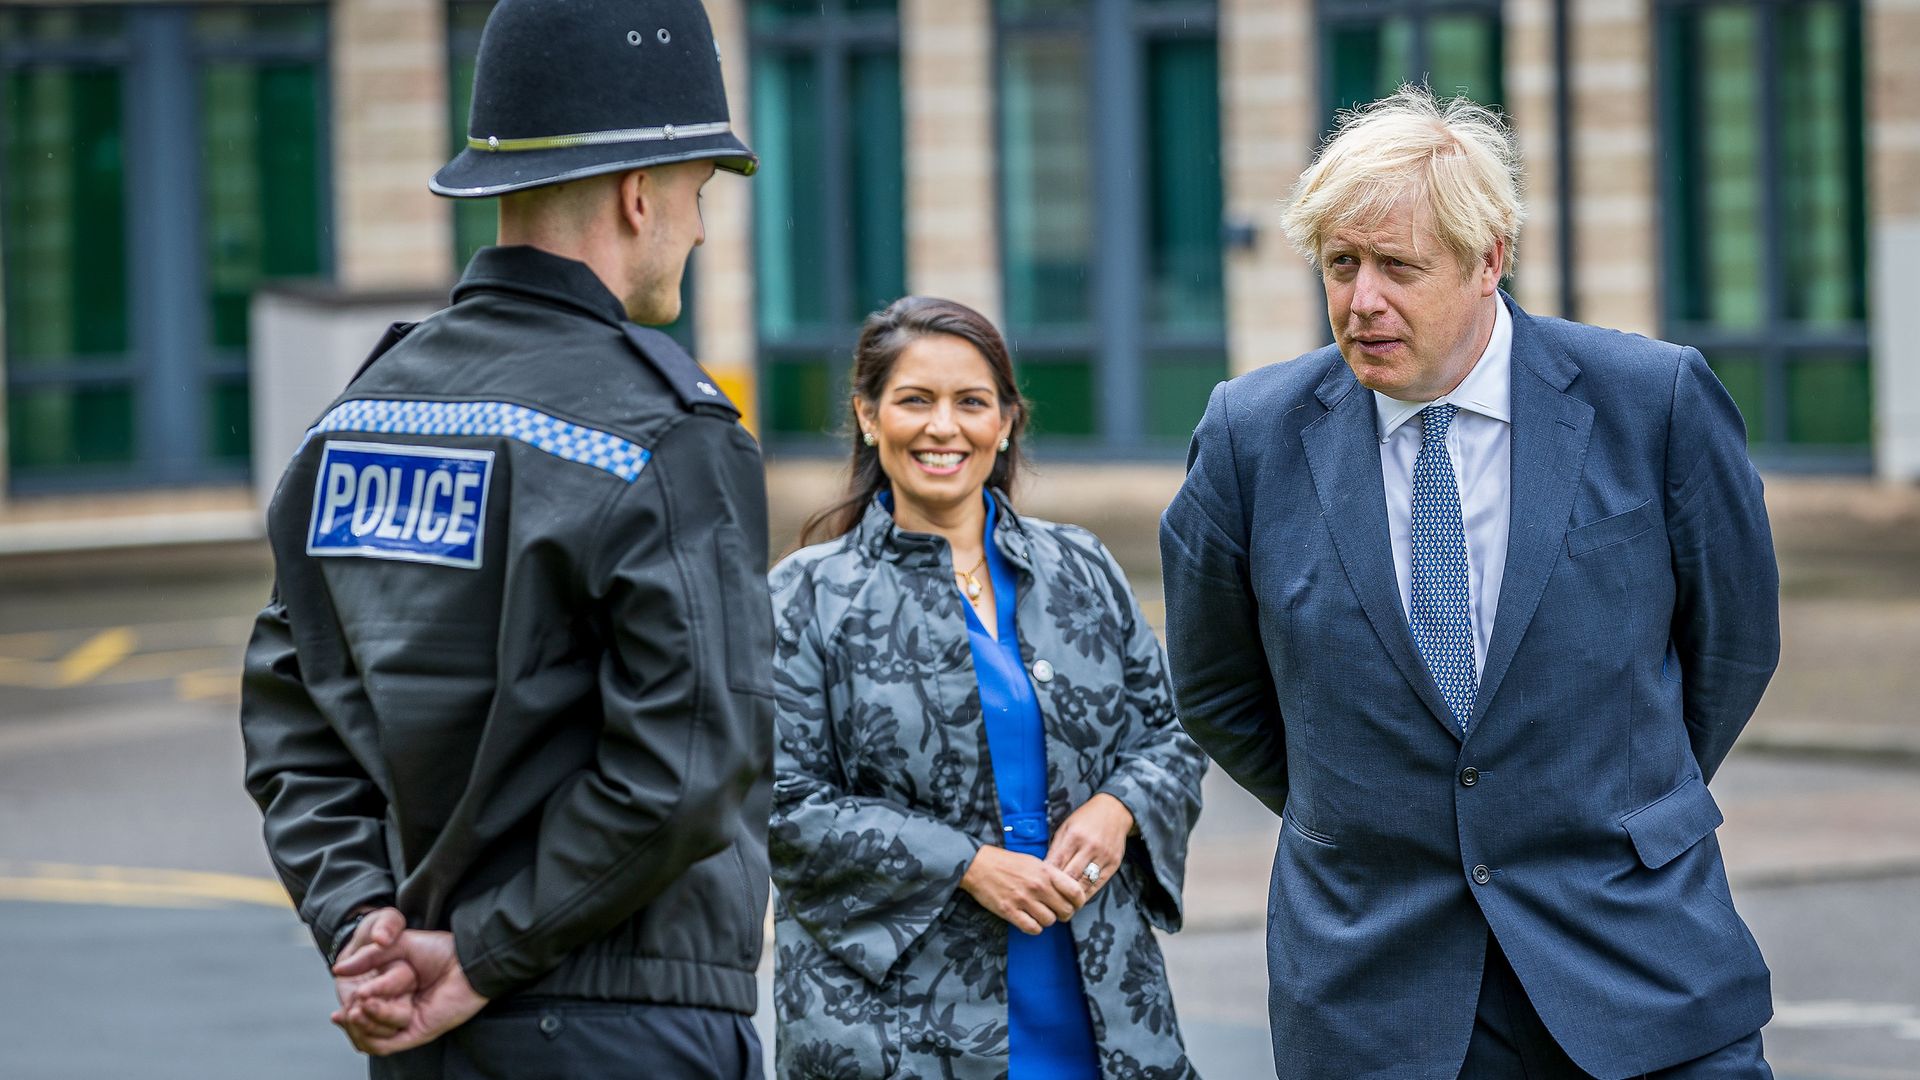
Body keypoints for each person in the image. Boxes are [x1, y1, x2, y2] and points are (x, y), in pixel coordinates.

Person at [1159, 88, 1781, 1079]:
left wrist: (1610, 798)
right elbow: (1217, 690)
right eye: (1340, 264)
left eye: (1398, 267)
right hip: (1377, 992)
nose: (1362, 302)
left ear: (1489, 259)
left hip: (1639, 965)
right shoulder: (1250, 437)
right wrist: (1373, 810)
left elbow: (1734, 643)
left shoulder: (1651, 403)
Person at [238, 1, 773, 1075]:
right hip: (627, 1020)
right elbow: (684, 770)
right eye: (696, 195)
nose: (700, 230)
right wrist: (481, 955)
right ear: (637, 195)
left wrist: (362, 926)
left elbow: (293, 722)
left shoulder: (357, 418)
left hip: (422, 1031)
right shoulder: (666, 431)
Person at [766, 297, 1208, 1079]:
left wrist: (1118, 809)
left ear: (1006, 422)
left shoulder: (1081, 569)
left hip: (1095, 997)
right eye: (914, 400)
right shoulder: (807, 596)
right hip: (898, 1022)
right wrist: (966, 863)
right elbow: (782, 799)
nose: (944, 427)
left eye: (971, 402)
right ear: (869, 417)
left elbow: (1171, 734)